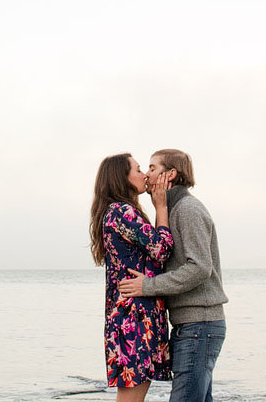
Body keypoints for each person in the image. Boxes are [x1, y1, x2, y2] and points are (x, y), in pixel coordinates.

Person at [118, 149, 227, 402]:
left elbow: (200, 268)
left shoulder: (187, 209)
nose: (147, 174)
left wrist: (148, 286)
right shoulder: (170, 210)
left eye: (152, 168)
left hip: (200, 325)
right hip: (190, 326)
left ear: (171, 174)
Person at [90, 153, 174, 402]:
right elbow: (161, 249)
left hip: (133, 316)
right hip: (134, 319)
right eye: (138, 170)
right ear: (122, 178)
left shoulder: (118, 211)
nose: (144, 175)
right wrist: (162, 207)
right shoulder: (122, 212)